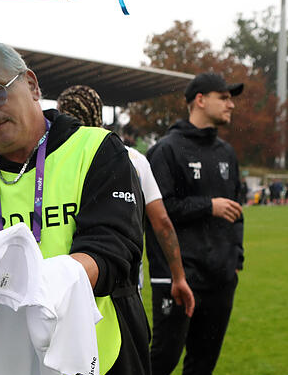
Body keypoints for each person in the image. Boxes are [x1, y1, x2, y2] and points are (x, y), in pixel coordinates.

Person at [0, 42, 150, 375]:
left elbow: (115, 255)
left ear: (32, 85)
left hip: (98, 368)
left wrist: (37, 283)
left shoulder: (97, 150)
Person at [145, 72, 245, 375]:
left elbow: (235, 210)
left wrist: (235, 260)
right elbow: (160, 210)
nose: (231, 104)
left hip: (220, 278)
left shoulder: (227, 153)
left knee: (203, 366)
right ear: (200, 99)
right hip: (180, 277)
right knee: (163, 358)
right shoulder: (166, 150)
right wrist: (208, 206)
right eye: (224, 96)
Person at [56, 84, 195, 314]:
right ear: (99, 114)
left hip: (72, 289)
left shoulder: (53, 165)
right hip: (124, 293)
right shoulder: (133, 158)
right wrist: (179, 276)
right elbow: (162, 223)